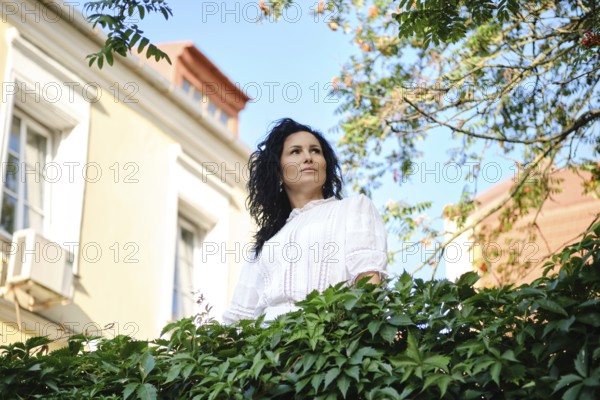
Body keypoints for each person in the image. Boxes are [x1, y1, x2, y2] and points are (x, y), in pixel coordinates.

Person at [223, 118, 387, 324]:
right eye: (295, 151)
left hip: (331, 342)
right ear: (279, 173)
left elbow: (368, 278)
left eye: (315, 151)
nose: (308, 157)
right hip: (267, 348)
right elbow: (239, 318)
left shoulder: (353, 208)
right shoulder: (265, 246)